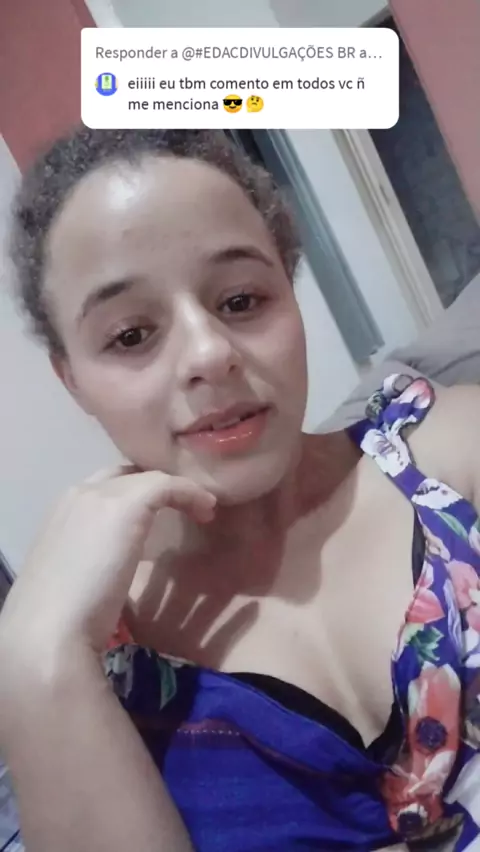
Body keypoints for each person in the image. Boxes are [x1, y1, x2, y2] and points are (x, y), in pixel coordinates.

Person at [1, 128, 480, 852]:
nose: (209, 353)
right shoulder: (89, 650)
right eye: (131, 335)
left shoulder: (449, 455)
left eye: (241, 299)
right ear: (73, 381)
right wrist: (35, 653)